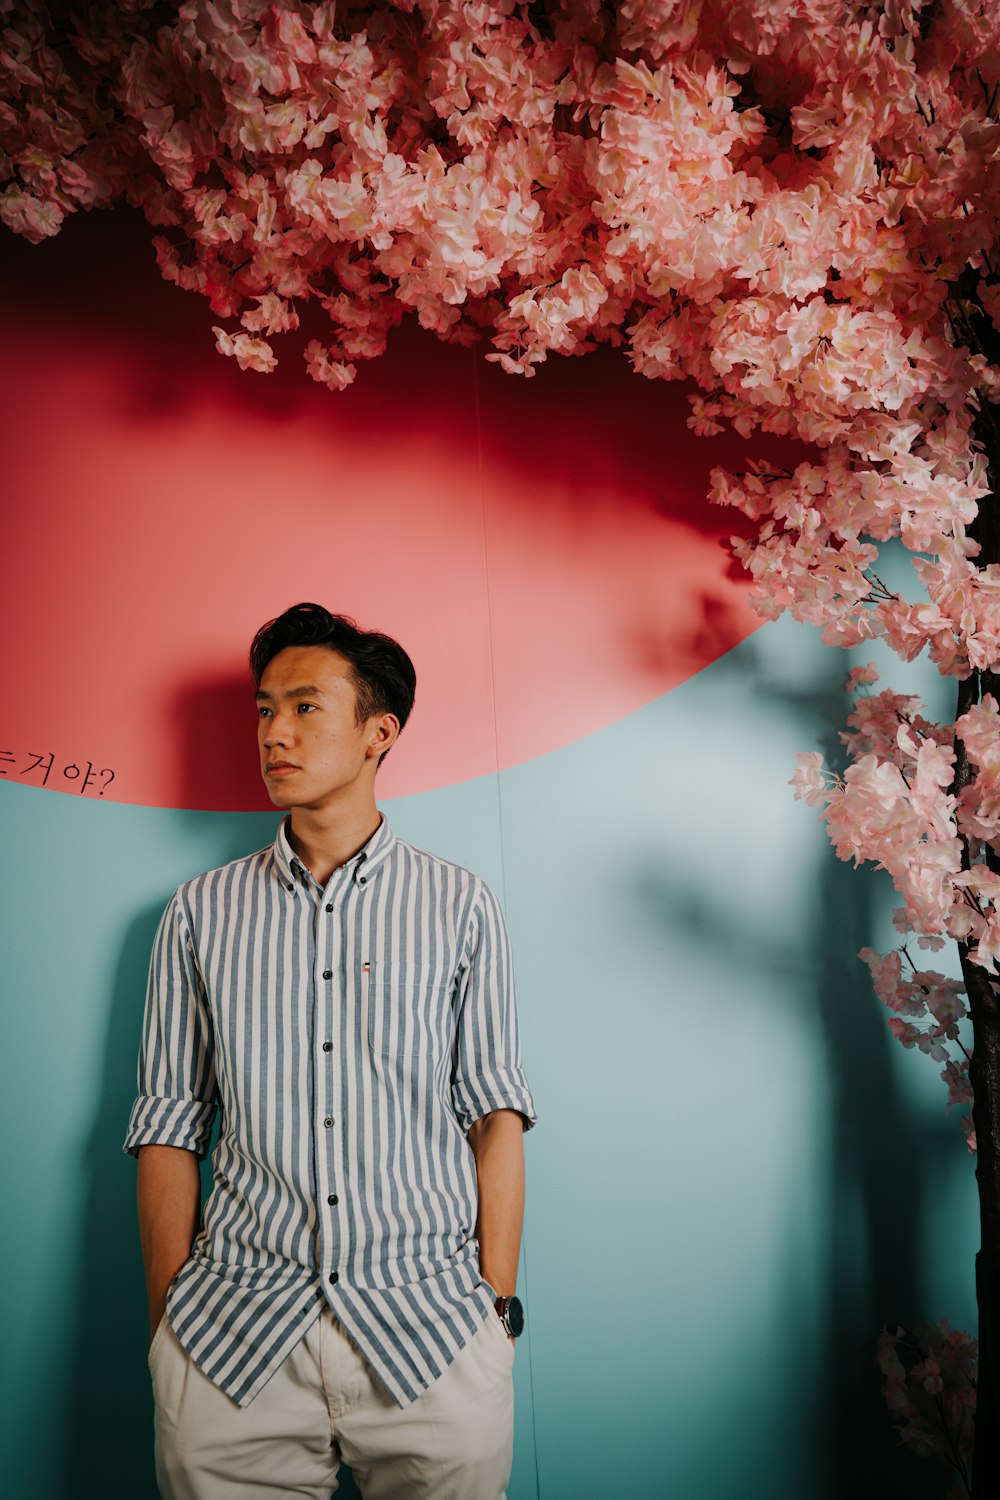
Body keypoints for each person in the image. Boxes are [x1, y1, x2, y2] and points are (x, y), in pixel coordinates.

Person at [123, 601, 538, 1500]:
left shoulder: (460, 907)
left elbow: (496, 1114)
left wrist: (493, 1313)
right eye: (265, 709)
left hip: (431, 1338)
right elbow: (168, 1127)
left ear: (378, 731)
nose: (276, 732)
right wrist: (168, 1328)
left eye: (306, 706)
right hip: (232, 1342)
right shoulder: (198, 915)